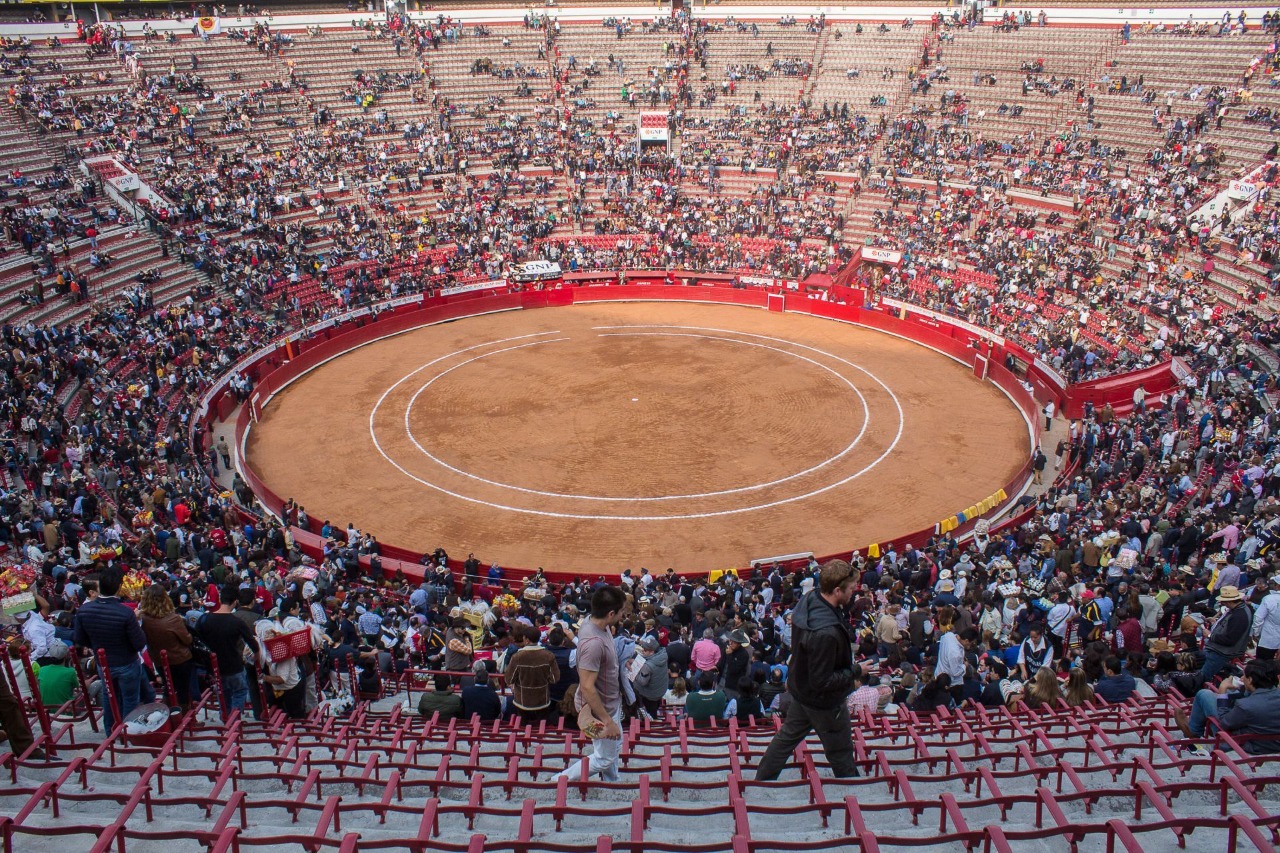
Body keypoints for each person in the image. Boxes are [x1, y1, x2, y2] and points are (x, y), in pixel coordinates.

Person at [755, 559, 861, 781]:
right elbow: (823, 681)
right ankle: (852, 786)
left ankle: (761, 780)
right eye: (851, 589)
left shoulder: (811, 598)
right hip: (825, 702)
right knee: (840, 749)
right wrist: (856, 671)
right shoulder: (826, 633)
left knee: (785, 739)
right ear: (837, 590)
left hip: (802, 691)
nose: (854, 592)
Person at [551, 586, 627, 782]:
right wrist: (607, 720)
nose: (622, 615)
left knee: (613, 745)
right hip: (601, 708)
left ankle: (612, 781)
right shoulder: (594, 643)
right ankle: (559, 780)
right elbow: (586, 686)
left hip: (610, 700)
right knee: (603, 757)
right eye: (620, 612)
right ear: (611, 614)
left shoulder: (594, 624)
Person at [73, 565, 147, 731]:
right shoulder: (125, 613)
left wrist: (97, 643)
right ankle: (129, 732)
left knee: (109, 696)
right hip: (126, 662)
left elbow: (79, 638)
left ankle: (110, 731)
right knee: (129, 699)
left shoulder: (84, 611)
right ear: (119, 588)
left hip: (104, 663)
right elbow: (139, 643)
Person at [1174, 660, 1280, 755]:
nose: (1242, 679)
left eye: (1244, 676)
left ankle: (1194, 734)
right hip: (1273, 743)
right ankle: (1197, 729)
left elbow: (1224, 723)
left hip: (1246, 744)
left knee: (1204, 694)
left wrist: (1222, 690)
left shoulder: (1245, 706)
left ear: (1251, 680)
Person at [198, 581, 260, 721]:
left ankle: (225, 716)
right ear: (236, 602)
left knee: (223, 691)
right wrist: (255, 657)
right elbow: (253, 645)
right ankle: (234, 717)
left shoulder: (205, 619)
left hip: (214, 666)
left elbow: (198, 641)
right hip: (234, 664)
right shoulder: (236, 622)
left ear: (220, 599)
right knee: (240, 690)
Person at [138, 584, 196, 710]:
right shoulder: (174, 619)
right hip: (180, 659)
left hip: (158, 659)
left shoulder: (144, 619)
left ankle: (167, 712)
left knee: (168, 686)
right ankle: (184, 714)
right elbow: (187, 640)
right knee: (183, 689)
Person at [504, 623, 560, 721]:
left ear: (526, 639)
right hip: (543, 701)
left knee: (525, 731)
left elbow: (509, 679)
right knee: (541, 729)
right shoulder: (548, 656)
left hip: (522, 703)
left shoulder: (517, 657)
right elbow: (555, 678)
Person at [1200, 586, 1253, 680]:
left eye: (1223, 601)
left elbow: (1230, 639)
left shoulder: (1239, 615)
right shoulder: (1238, 610)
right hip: (1219, 650)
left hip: (1220, 652)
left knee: (1203, 676)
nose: (1221, 603)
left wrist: (1209, 635)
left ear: (1229, 601)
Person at [631, 635, 669, 718]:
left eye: (645, 650)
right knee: (654, 707)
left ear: (652, 652)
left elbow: (643, 682)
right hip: (660, 690)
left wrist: (635, 673)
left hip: (649, 694)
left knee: (651, 714)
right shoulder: (663, 656)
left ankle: (652, 724)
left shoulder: (648, 666)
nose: (642, 651)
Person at [36, 640, 78, 709]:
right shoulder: (70, 672)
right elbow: (82, 686)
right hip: (66, 710)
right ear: (66, 656)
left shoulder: (42, 669)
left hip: (46, 710)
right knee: (97, 684)